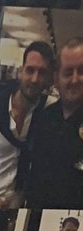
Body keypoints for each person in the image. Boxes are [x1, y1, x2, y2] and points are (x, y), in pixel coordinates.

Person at [0, 40, 53, 209]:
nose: (35, 79)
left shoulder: (46, 108)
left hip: (16, 203)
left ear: (48, 79)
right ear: (21, 71)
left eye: (42, 73)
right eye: (30, 70)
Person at [21, 37, 83, 208]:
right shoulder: (43, 117)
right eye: (68, 72)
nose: (75, 79)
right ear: (56, 78)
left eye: (81, 71)